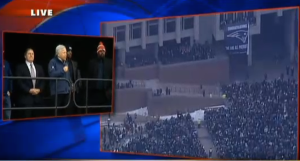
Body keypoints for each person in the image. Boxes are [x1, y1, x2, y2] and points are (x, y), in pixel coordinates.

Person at [15, 48, 45, 119]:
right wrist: (29, 90)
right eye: (29, 54)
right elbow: (19, 82)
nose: (31, 55)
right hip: (25, 100)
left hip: (38, 100)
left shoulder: (39, 67)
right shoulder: (20, 67)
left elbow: (43, 80)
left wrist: (39, 89)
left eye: (32, 54)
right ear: (25, 56)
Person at [87, 41, 112, 114]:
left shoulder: (110, 62)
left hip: (106, 93)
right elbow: (89, 76)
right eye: (100, 51)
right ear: (97, 52)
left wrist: (110, 89)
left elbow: (112, 75)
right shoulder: (92, 63)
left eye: (103, 51)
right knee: (94, 111)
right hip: (95, 92)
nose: (102, 52)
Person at [48, 45, 71, 116]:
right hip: (57, 93)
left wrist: (70, 86)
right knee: (57, 113)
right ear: (58, 53)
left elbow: (68, 76)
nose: (66, 54)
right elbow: (52, 74)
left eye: (66, 52)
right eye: (64, 52)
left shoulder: (66, 62)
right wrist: (62, 70)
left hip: (66, 92)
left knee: (67, 112)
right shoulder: (52, 62)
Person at [66, 45, 82, 115]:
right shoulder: (62, 63)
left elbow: (78, 75)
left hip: (75, 90)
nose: (70, 53)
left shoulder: (75, 63)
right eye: (68, 51)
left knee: (77, 109)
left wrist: (79, 86)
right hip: (66, 90)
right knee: (68, 109)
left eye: (71, 51)